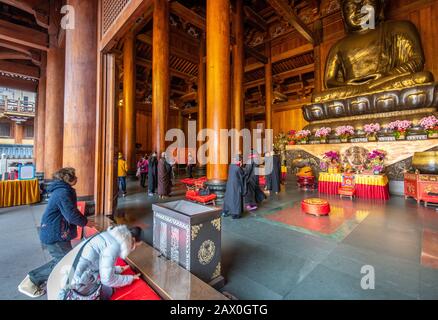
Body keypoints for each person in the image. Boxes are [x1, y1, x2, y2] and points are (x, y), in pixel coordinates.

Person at [18, 167, 88, 298]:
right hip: (55, 233)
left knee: (66, 259)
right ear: (69, 178)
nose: (77, 178)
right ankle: (32, 280)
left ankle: (64, 283)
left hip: (58, 231)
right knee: (65, 262)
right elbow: (71, 215)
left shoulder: (62, 190)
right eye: (75, 176)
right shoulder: (62, 192)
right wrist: (86, 222)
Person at [60, 225, 143, 300]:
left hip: (74, 276)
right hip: (79, 284)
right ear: (133, 241)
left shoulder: (109, 236)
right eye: (136, 247)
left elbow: (98, 264)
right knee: (108, 291)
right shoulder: (113, 247)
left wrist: (118, 269)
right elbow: (107, 280)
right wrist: (130, 278)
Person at [222, 155, 246, 219]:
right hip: (236, 185)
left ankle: (225, 211)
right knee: (235, 199)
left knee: (228, 197)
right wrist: (241, 167)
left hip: (229, 184)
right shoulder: (238, 168)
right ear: (240, 161)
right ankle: (235, 214)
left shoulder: (230, 166)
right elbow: (242, 176)